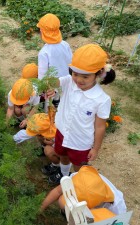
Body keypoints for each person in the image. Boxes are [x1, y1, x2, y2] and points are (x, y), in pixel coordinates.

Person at [46, 44, 116, 185]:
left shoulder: (101, 99)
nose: (78, 80)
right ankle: (64, 175)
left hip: (80, 143)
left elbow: (100, 127)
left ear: (98, 74)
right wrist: (49, 86)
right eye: (75, 74)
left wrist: (95, 148)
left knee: (80, 168)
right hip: (62, 132)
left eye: (85, 76)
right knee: (63, 156)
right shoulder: (68, 82)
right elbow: (55, 81)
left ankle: (76, 183)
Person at [40, 166, 127, 221]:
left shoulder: (117, 209)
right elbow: (58, 191)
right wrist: (41, 207)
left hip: (100, 217)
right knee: (62, 202)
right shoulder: (81, 178)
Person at [37, 13, 72, 108]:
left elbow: (42, 75)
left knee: (50, 108)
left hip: (53, 86)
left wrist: (41, 90)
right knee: (64, 103)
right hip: (67, 81)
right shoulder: (65, 44)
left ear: (42, 32)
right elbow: (71, 63)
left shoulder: (44, 52)